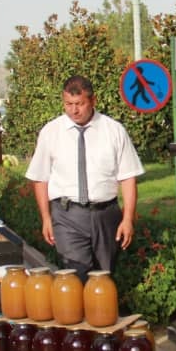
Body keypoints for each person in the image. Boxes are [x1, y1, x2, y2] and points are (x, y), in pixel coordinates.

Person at [26, 74, 144, 280]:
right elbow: (40, 178)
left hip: (105, 214)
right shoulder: (51, 132)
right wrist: (46, 218)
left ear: (93, 100)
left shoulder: (113, 130)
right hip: (67, 216)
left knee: (103, 278)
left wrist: (127, 219)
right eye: (68, 104)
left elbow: (128, 177)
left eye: (79, 104)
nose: (74, 110)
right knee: (76, 274)